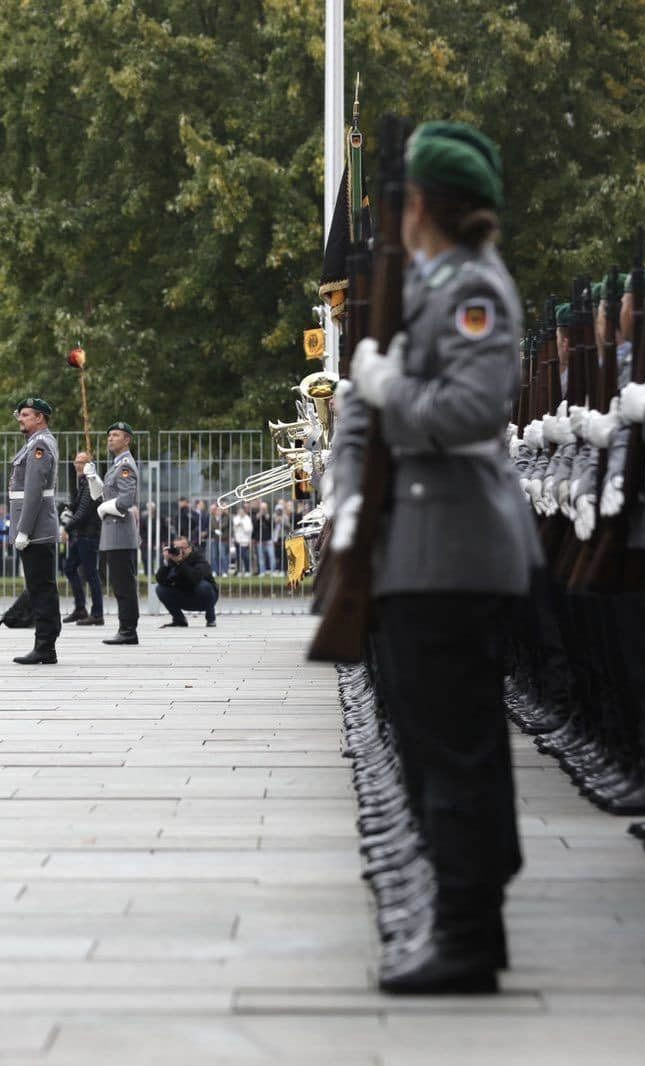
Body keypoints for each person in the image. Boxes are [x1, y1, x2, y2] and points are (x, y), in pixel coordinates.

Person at [332, 120, 539, 995]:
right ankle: (448, 907)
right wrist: (348, 492)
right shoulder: (424, 287)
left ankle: (468, 930)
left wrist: (383, 388)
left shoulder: (471, 291)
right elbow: (360, 411)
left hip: (452, 551)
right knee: (426, 742)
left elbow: (464, 413)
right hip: (411, 551)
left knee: (455, 748)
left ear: (424, 203)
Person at [7, 397, 60, 664]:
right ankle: (45, 646)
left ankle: (44, 645)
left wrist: (24, 530)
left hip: (36, 530)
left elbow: (34, 492)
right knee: (40, 586)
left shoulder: (40, 444)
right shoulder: (35, 444)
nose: (20, 419)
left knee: (41, 588)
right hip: (35, 529)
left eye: (26, 415)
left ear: (39, 418)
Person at [97, 421, 141, 645]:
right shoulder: (116, 465)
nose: (110, 438)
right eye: (109, 435)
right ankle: (126, 628)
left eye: (116, 435)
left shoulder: (126, 465)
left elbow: (125, 500)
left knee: (123, 583)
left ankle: (128, 630)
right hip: (113, 533)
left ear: (127, 440)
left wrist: (106, 507)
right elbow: (109, 492)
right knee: (119, 582)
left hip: (120, 532)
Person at [60, 451, 105, 625]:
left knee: (91, 574)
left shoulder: (92, 483)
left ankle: (97, 614)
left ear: (89, 465)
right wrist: (67, 508)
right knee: (70, 567)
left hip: (89, 535)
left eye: (82, 462)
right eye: (76, 461)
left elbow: (85, 511)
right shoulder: (83, 482)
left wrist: (67, 527)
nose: (78, 465)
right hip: (81, 535)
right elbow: (78, 505)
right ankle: (80, 608)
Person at [155, 536, 218, 627]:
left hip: (204, 600)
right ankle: (179, 619)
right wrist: (166, 562)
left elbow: (194, 579)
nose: (180, 551)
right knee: (160, 589)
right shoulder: (172, 561)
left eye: (182, 548)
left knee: (203, 586)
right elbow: (161, 580)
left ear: (190, 548)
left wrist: (180, 562)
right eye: (177, 548)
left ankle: (211, 619)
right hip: (184, 597)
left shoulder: (199, 559)